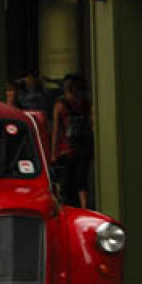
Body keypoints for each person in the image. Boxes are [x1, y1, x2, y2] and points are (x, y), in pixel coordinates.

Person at [51, 74, 94, 209]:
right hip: (84, 148)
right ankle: (84, 207)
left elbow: (56, 130)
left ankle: (68, 209)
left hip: (66, 149)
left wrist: (53, 152)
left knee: (66, 184)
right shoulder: (87, 103)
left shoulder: (60, 105)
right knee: (82, 181)